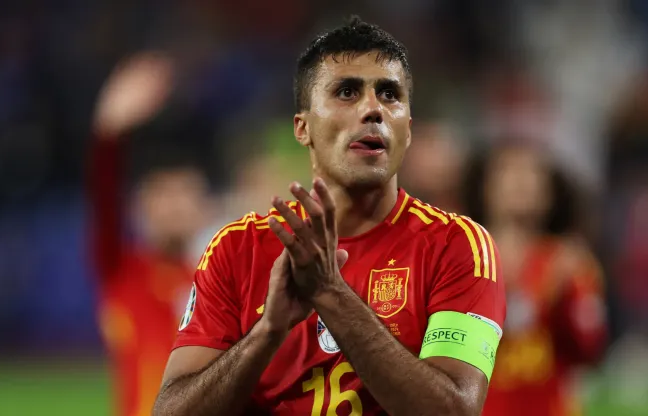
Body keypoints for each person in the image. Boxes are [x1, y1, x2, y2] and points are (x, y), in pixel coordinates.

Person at [154, 17, 506, 416]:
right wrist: (266, 334)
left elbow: (456, 411)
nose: (372, 108)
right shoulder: (237, 248)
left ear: (407, 130)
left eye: (389, 94)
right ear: (303, 129)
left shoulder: (457, 246)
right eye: (347, 91)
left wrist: (330, 292)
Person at [90, 53, 211, 416]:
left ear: (203, 205)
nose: (174, 206)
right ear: (140, 207)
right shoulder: (123, 270)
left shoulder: (219, 282)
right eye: (163, 195)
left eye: (183, 194)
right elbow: (103, 202)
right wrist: (108, 132)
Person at [462, 144, 607, 416]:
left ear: (549, 193)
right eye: (509, 170)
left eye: (533, 173)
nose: (522, 181)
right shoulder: (460, 258)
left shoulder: (570, 263)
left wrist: (566, 299)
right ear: (485, 186)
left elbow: (590, 348)